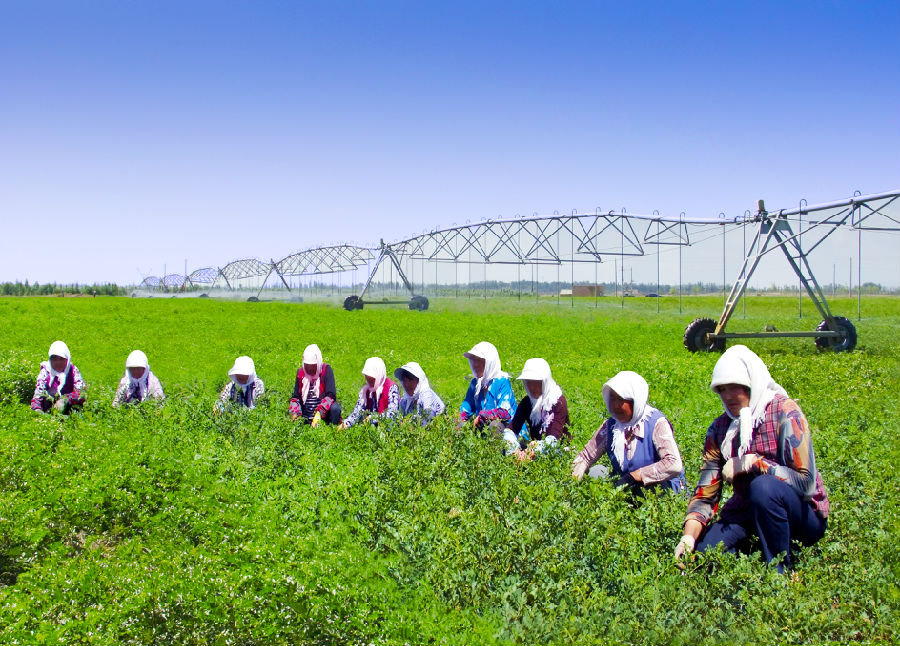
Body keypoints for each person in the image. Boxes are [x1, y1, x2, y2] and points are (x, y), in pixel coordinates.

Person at [673, 345, 829, 573]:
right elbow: (706, 494)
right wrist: (688, 537)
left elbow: (806, 484)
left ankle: (779, 574)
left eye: (734, 386)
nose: (727, 396)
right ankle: (747, 564)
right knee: (706, 555)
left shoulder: (785, 413)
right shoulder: (720, 430)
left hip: (803, 517)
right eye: (722, 389)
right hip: (748, 511)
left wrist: (754, 462)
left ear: (751, 383)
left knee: (763, 488)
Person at [572, 370, 686, 492]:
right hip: (630, 491)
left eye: (621, 399)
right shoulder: (611, 425)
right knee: (597, 472)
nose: (615, 406)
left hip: (661, 493)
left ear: (634, 401)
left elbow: (674, 464)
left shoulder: (655, 422)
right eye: (612, 398)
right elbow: (586, 456)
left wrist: (636, 476)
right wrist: (571, 485)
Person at [503, 358, 571, 459]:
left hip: (558, 453)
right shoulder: (527, 402)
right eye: (528, 382)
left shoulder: (558, 402)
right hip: (533, 451)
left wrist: (532, 450)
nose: (532, 387)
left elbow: (554, 438)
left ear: (545, 381)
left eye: (536, 382)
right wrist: (514, 450)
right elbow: (512, 429)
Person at [459, 341, 517, 431]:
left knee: (494, 426)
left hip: (510, 433)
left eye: (479, 360)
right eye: (473, 360)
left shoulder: (502, 381)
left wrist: (482, 416)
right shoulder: (475, 383)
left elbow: (504, 413)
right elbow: (465, 409)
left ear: (490, 362)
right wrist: (458, 422)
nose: (475, 364)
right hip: (485, 431)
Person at [338, 357, 399, 429]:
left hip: (388, 429)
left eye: (372, 377)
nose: (369, 379)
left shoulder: (391, 388)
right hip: (371, 429)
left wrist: (373, 418)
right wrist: (346, 424)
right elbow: (358, 411)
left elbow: (392, 413)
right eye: (367, 376)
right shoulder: (366, 390)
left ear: (379, 375)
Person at [288, 344, 341, 425]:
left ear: (318, 363)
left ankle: (331, 427)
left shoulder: (326, 370)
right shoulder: (301, 373)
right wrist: (295, 412)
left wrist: (319, 413)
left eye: (312, 366)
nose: (309, 369)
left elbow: (331, 396)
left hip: (323, 416)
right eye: (307, 366)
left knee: (335, 408)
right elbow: (296, 397)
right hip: (306, 416)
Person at [30, 340, 86, 414]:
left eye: (61, 359)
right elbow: (38, 394)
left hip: (69, 407)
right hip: (49, 408)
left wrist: (65, 400)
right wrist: (37, 410)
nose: (58, 362)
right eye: (54, 359)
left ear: (67, 359)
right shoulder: (46, 371)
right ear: (50, 359)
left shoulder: (72, 370)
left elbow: (81, 393)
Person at [394, 361, 445, 426]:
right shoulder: (406, 400)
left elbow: (428, 417)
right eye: (404, 380)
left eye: (410, 380)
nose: (407, 384)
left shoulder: (426, 395)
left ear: (419, 381)